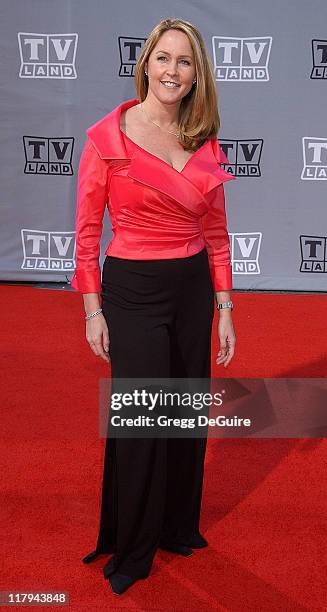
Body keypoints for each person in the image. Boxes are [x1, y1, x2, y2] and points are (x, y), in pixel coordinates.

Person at [70, 17, 236, 596]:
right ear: (146, 64)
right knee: (142, 418)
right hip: (132, 288)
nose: (172, 71)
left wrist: (225, 304)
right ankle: (132, 546)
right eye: (164, 58)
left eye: (185, 62)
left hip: (192, 286)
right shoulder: (107, 137)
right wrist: (94, 309)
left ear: (197, 76)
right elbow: (87, 232)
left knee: (185, 414)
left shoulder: (203, 137)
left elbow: (216, 230)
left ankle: (174, 527)